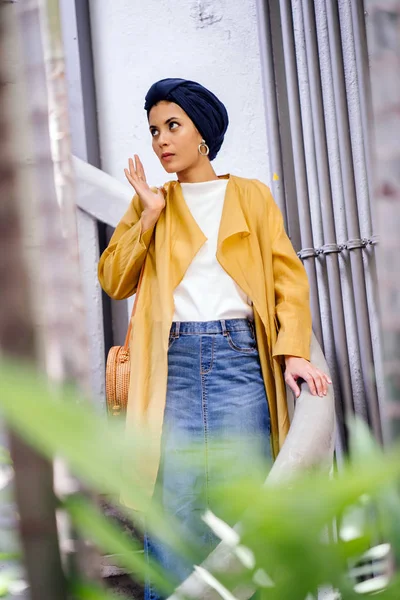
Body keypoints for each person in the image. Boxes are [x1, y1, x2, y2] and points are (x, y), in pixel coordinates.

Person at [98, 77, 331, 599]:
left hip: (240, 357)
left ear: (202, 132)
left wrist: (293, 352)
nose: (161, 139)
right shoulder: (152, 202)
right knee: (175, 502)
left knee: (241, 494)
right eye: (154, 129)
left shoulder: (250, 195)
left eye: (172, 125)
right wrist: (149, 218)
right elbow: (114, 279)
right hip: (173, 362)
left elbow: (287, 280)